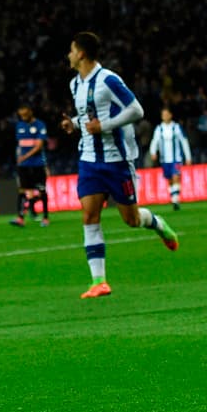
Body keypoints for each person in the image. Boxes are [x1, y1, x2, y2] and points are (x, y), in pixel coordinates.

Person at [59, 32, 179, 299]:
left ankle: (158, 224)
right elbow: (88, 117)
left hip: (117, 161)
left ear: (81, 53)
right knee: (89, 216)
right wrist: (75, 125)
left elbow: (137, 110)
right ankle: (99, 281)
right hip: (89, 160)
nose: (68, 55)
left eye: (71, 50)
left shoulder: (108, 80)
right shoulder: (75, 85)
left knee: (131, 219)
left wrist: (106, 126)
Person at [9, 104, 50, 227]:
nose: (23, 117)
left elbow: (38, 146)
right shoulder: (19, 126)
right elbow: (20, 145)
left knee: (42, 191)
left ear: (31, 112)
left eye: (25, 114)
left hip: (37, 164)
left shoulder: (40, 125)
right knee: (22, 190)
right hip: (23, 165)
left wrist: (24, 157)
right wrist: (18, 159)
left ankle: (45, 217)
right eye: (21, 115)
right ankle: (20, 218)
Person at [149, 106, 192, 211]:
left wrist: (188, 157)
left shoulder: (176, 127)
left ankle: (176, 200)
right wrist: (153, 152)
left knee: (176, 176)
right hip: (164, 159)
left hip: (176, 158)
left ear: (170, 115)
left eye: (166, 114)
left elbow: (184, 141)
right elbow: (155, 141)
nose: (165, 116)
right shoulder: (159, 128)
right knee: (169, 180)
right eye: (163, 115)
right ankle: (174, 199)